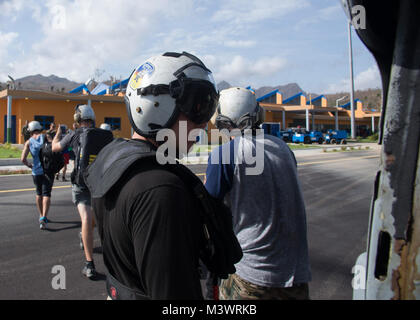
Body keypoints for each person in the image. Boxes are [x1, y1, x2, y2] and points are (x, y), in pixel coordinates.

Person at [86, 51, 219, 299]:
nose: (204, 123)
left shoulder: (114, 160)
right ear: (158, 106)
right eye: (197, 107)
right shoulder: (162, 190)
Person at [205, 87, 312, 300]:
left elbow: (208, 209)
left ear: (222, 122)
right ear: (258, 116)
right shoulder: (283, 148)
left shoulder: (224, 154)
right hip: (296, 275)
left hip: (252, 277)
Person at [51, 105, 97, 279]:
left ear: (77, 120)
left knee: (86, 218)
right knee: (92, 219)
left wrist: (57, 133)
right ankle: (85, 233)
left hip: (81, 184)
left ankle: (89, 264)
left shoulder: (74, 134)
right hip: (99, 184)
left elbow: (55, 147)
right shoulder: (103, 135)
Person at [21, 121, 54, 230]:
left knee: (38, 193)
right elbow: (54, 148)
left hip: (36, 172)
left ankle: (40, 215)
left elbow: (23, 159)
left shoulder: (28, 142)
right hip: (47, 171)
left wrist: (31, 166)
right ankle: (45, 216)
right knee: (46, 194)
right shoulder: (46, 137)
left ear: (30, 130)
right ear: (39, 128)